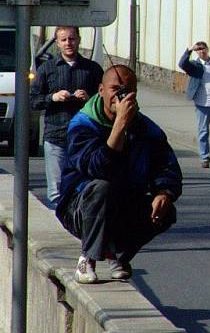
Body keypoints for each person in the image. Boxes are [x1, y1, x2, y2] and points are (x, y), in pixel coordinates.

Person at [56, 64, 182, 284]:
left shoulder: (145, 128)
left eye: (127, 90)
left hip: (123, 203)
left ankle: (119, 256)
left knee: (166, 210)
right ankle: (87, 258)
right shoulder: (83, 125)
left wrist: (164, 191)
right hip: (80, 208)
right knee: (102, 187)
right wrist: (120, 124)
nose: (120, 95)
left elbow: (167, 165)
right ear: (101, 90)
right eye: (115, 89)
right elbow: (99, 168)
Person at [30, 26, 104, 207]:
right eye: (63, 40)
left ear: (79, 40)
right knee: (56, 191)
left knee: (85, 187)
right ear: (57, 43)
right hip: (56, 136)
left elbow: (105, 102)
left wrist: (90, 99)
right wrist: (53, 97)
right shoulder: (47, 68)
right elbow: (32, 100)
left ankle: (79, 222)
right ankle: (62, 227)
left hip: (85, 139)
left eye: (71, 39)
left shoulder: (92, 69)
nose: (68, 43)